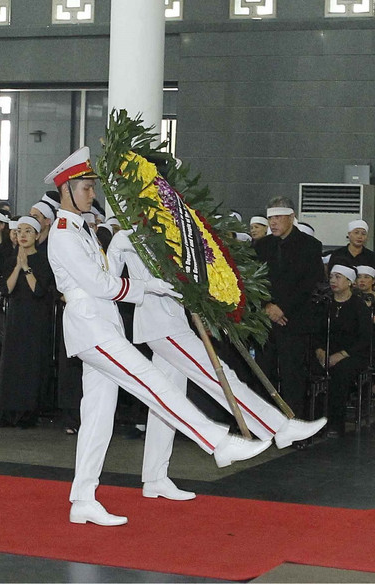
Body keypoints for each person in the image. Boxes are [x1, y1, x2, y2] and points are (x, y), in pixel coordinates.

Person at [44, 147, 271, 526]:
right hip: (91, 325)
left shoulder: (83, 229)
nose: (91, 194)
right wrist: (147, 288)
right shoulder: (64, 234)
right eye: (84, 187)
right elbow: (98, 283)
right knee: (152, 384)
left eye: (90, 187)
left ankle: (83, 498)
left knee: (98, 416)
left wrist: (155, 286)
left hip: (103, 323)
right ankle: (217, 442)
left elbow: (105, 282)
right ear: (65, 189)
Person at [107, 228, 327, 500]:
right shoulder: (127, 237)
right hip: (160, 324)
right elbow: (110, 281)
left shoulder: (167, 229)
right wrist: (145, 290)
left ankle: (155, 477)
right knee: (218, 376)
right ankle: (277, 427)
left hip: (173, 321)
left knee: (167, 405)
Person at [254, 198, 327, 420]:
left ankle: (295, 426)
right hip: (266, 320)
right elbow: (253, 281)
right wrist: (267, 306)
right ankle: (263, 424)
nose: (273, 223)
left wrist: (282, 308)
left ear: (291, 217)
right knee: (263, 374)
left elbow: (309, 284)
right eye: (270, 218)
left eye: (277, 218)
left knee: (292, 376)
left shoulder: (310, 245)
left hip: (293, 320)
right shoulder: (261, 245)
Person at [0, 216, 54, 428]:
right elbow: (6, 290)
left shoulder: (43, 260)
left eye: (28, 231)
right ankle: (8, 411)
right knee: (12, 364)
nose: (23, 235)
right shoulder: (11, 260)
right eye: (19, 231)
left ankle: (28, 413)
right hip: (16, 317)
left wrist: (27, 268)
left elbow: (39, 291)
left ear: (37, 235)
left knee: (30, 364)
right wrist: (18, 267)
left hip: (35, 318)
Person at [315, 264, 371, 437]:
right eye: (331, 276)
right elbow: (315, 331)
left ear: (349, 282)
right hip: (325, 352)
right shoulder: (325, 303)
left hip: (352, 354)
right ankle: (313, 420)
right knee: (308, 369)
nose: (333, 280)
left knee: (340, 372)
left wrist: (341, 355)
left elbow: (365, 338)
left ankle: (335, 423)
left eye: (338, 277)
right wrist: (319, 351)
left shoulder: (358, 306)